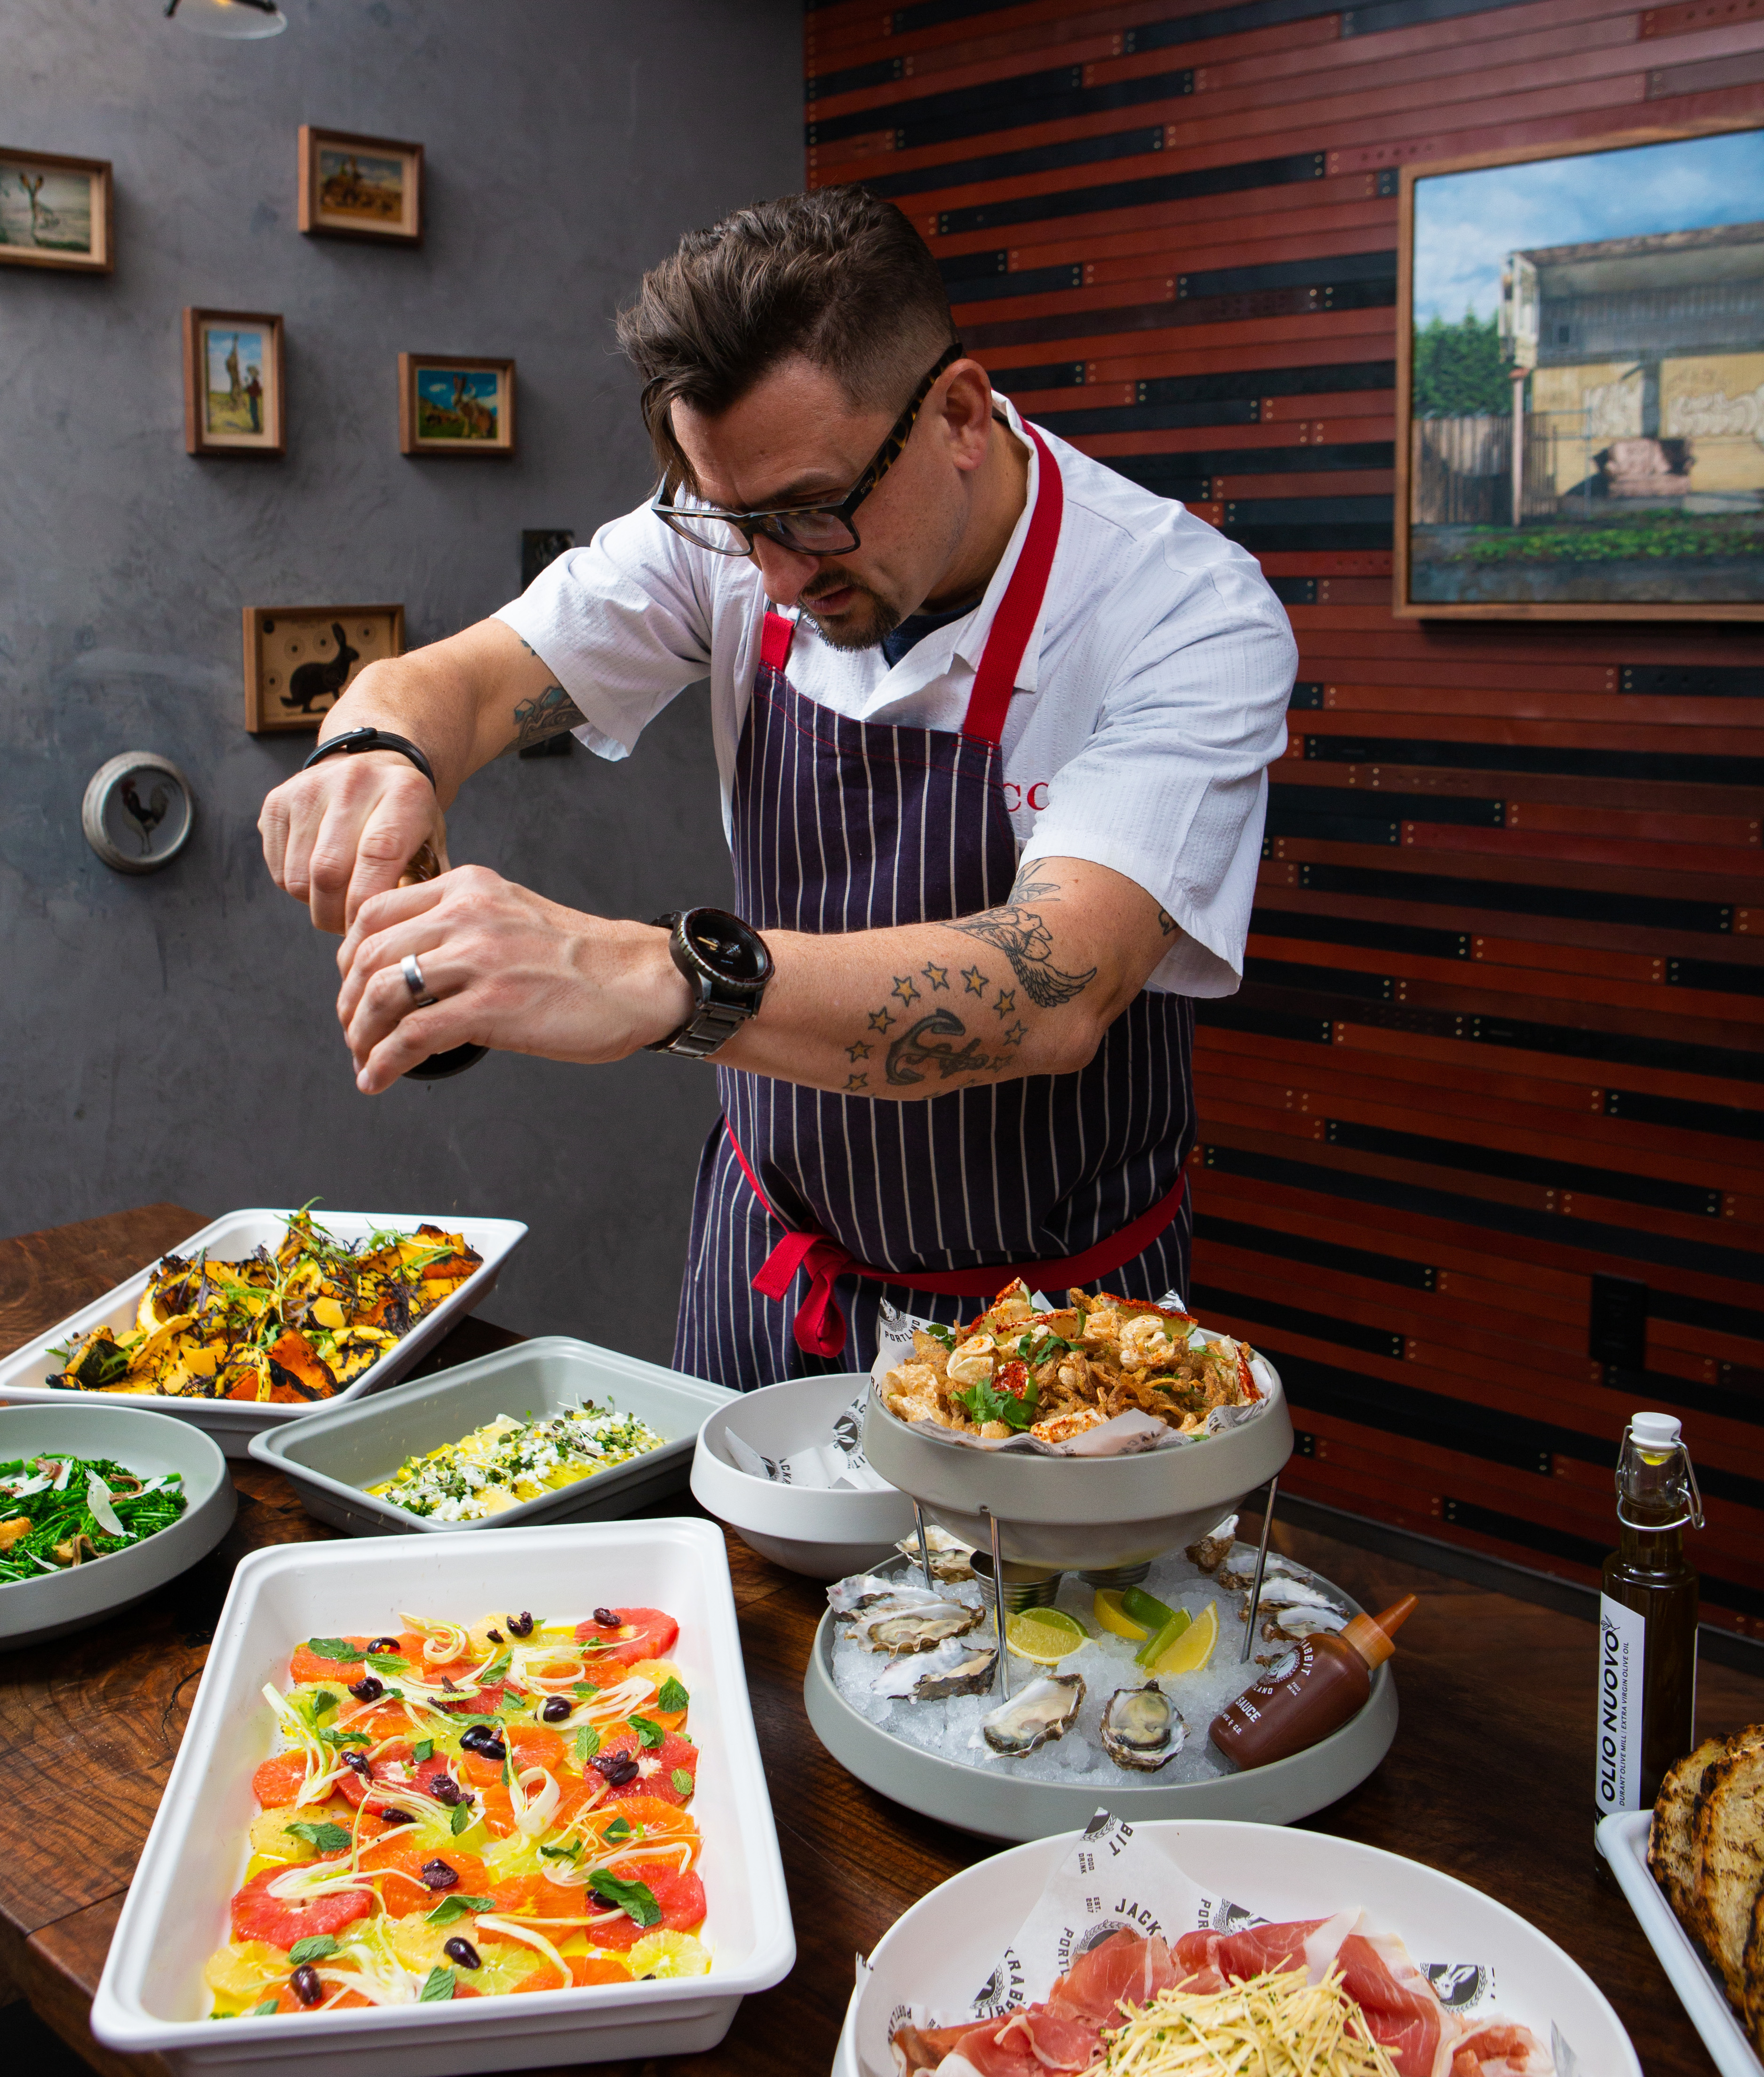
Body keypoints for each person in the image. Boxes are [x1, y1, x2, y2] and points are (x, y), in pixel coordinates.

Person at [257, 186, 1295, 1392]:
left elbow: (1053, 980)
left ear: (959, 412)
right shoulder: (738, 533)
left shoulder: (1180, 611)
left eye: (817, 511)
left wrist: (647, 972)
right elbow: (472, 684)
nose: (781, 570)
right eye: (740, 522)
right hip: (772, 1278)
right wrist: (376, 748)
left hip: (1058, 1342)